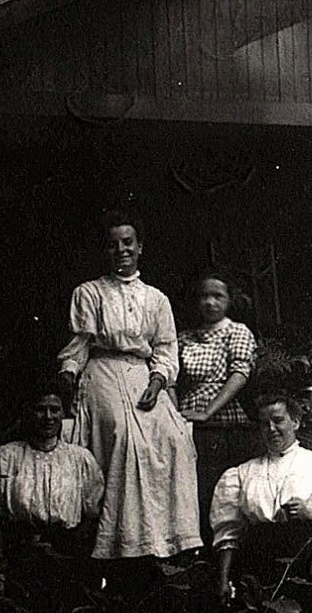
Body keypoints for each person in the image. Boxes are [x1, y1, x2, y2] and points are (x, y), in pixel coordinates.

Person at [57, 212, 204, 561]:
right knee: (124, 437)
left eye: (128, 243)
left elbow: (166, 350)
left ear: (140, 248)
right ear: (106, 251)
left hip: (143, 373)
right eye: (114, 245)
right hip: (103, 371)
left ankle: (165, 541)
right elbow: (79, 346)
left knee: (175, 439)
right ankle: (119, 542)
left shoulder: (156, 299)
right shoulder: (89, 292)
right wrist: (68, 372)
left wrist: (157, 382)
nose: (122, 250)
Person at [209, 391, 312, 604]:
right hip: (256, 561)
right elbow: (229, 535)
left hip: (302, 559)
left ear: (295, 422)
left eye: (278, 420)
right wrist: (223, 580)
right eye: (264, 423)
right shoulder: (242, 473)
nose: (271, 429)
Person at [0, 378, 105, 557]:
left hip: (67, 560)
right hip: (21, 559)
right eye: (40, 409)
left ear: (63, 413)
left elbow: (94, 516)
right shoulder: (7, 457)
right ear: (29, 412)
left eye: (54, 410)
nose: (48, 417)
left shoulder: (80, 459)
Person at [176, 271, 258, 426]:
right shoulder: (185, 338)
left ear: (229, 300)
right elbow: (172, 378)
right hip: (188, 411)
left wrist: (207, 412)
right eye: (204, 296)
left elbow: (239, 375)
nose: (210, 302)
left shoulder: (236, 331)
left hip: (222, 412)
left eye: (218, 296)